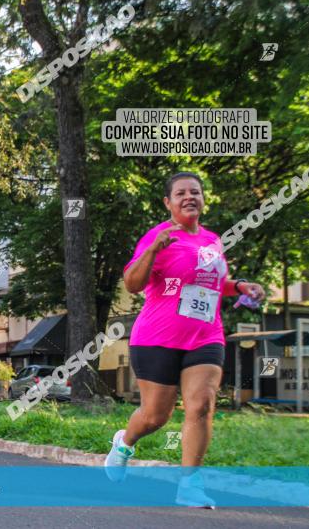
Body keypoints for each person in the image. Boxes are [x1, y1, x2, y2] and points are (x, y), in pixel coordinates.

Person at [104, 172, 266, 508]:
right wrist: (153, 249)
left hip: (206, 336)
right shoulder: (158, 236)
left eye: (195, 192)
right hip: (157, 337)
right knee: (155, 417)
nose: (189, 197)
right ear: (168, 202)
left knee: (202, 406)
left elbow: (210, 282)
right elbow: (133, 283)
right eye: (181, 193)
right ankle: (124, 443)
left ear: (203, 198)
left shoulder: (212, 240)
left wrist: (239, 286)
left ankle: (189, 485)